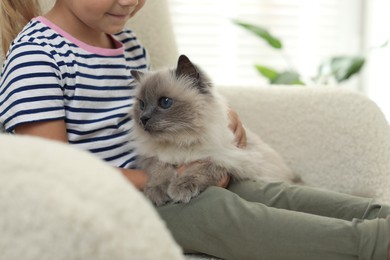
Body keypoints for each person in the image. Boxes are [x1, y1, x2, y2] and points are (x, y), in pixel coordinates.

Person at [0, 1, 389, 260]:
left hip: (161, 178)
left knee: (267, 191)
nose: (130, 1)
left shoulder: (127, 45)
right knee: (222, 213)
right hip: (107, 203)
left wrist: (218, 119)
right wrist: (163, 177)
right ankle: (372, 244)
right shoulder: (37, 55)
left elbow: (165, 114)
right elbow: (53, 170)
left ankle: (379, 217)